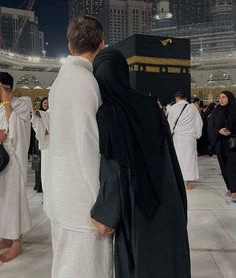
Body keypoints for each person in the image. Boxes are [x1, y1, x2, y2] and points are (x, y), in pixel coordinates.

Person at [91, 48, 191, 278]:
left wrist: (106, 214)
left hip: (138, 208)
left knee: (142, 264)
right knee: (170, 260)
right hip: (167, 198)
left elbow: (114, 168)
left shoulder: (108, 113)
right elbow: (170, 156)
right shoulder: (150, 105)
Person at [43, 16, 113, 278]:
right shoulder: (86, 83)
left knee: (65, 266)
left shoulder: (60, 82)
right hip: (81, 203)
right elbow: (87, 145)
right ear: (102, 44)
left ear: (70, 45)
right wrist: (103, 205)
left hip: (61, 193)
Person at [0, 72, 32, 262]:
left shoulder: (21, 103)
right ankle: (4, 237)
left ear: (7, 87)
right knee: (2, 201)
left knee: (13, 201)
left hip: (13, 161)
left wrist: (6, 101)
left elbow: (19, 130)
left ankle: (16, 243)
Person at [168, 91, 203, 190]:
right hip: (190, 139)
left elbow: (169, 124)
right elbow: (199, 123)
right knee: (190, 160)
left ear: (176, 98)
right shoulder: (193, 108)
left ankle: (178, 183)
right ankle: (189, 184)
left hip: (178, 138)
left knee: (178, 159)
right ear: (185, 98)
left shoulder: (173, 108)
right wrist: (197, 135)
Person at [208, 91, 236, 202]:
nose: (221, 100)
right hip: (220, 143)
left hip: (233, 144)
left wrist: (231, 131)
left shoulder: (234, 109)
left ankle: (234, 191)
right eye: (219, 98)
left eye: (224, 97)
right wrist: (218, 131)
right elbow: (211, 125)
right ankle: (229, 188)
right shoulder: (217, 110)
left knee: (231, 167)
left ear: (229, 98)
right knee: (224, 167)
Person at [31, 97, 49, 192]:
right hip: (39, 144)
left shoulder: (49, 114)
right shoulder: (39, 115)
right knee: (38, 166)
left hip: (46, 145)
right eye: (44, 103)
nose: (46, 105)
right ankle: (38, 185)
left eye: (47, 103)